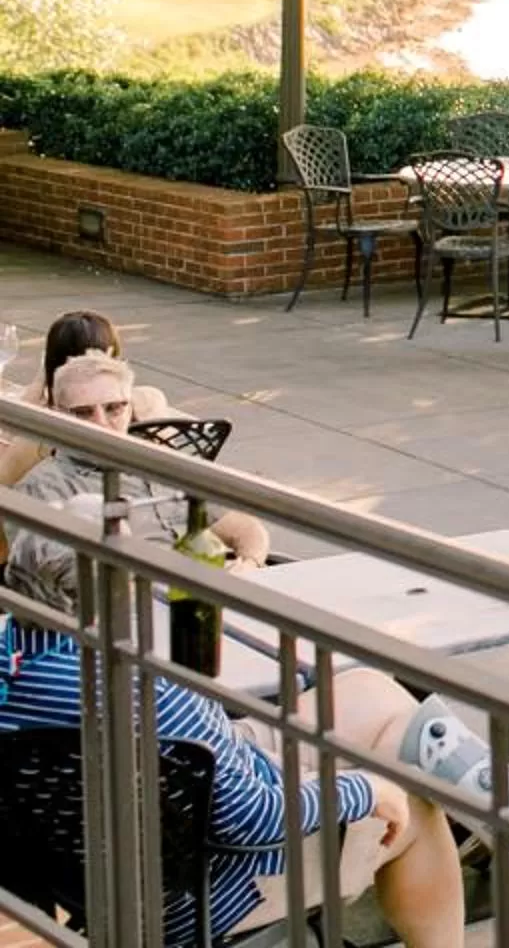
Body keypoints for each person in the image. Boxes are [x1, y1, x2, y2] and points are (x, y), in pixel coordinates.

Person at [0, 611, 470, 948]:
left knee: (370, 691)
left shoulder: (18, 665)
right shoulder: (141, 691)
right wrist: (367, 790)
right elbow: (256, 818)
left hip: (107, 853)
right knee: (415, 802)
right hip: (208, 888)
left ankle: (445, 763)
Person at [8, 351, 273, 615]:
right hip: (126, 629)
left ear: (130, 408)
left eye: (113, 408)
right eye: (83, 413)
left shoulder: (157, 464)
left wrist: (248, 565)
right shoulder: (44, 489)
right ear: (59, 416)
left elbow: (246, 528)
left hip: (201, 608)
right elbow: (82, 586)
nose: (101, 423)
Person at [0, 308, 190, 486]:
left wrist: (40, 382)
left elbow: (3, 477)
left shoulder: (47, 431)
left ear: (54, 365)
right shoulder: (149, 400)